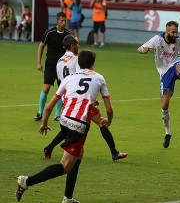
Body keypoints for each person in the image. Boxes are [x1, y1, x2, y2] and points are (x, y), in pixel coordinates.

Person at [15, 50, 115, 203]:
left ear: (78, 63)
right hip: (78, 125)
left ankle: (68, 197)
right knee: (65, 166)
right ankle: (26, 182)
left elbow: (49, 107)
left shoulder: (69, 78)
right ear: (92, 64)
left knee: (79, 153)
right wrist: (108, 120)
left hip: (64, 120)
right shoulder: (99, 78)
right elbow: (109, 109)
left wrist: (44, 123)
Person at [43, 35, 127, 162]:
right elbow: (82, 76)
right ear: (72, 45)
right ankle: (114, 152)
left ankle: (50, 147)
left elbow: (62, 80)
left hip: (67, 96)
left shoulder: (60, 60)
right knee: (100, 123)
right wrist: (90, 98)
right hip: (79, 98)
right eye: (77, 43)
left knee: (70, 126)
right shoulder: (77, 60)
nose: (79, 45)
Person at [137, 20, 180, 148]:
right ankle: (168, 133)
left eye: (176, 32)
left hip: (175, 65)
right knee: (164, 105)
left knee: (179, 65)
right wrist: (144, 50)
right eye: (173, 32)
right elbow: (139, 48)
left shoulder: (179, 41)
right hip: (164, 73)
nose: (175, 34)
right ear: (167, 32)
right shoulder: (157, 40)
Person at [35, 12, 71, 122]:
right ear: (57, 21)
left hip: (62, 66)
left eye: (65, 21)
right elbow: (41, 46)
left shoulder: (68, 34)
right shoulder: (49, 32)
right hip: (50, 64)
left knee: (61, 89)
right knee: (46, 88)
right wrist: (39, 62)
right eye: (62, 21)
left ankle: (57, 115)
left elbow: (71, 50)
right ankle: (40, 112)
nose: (64, 23)